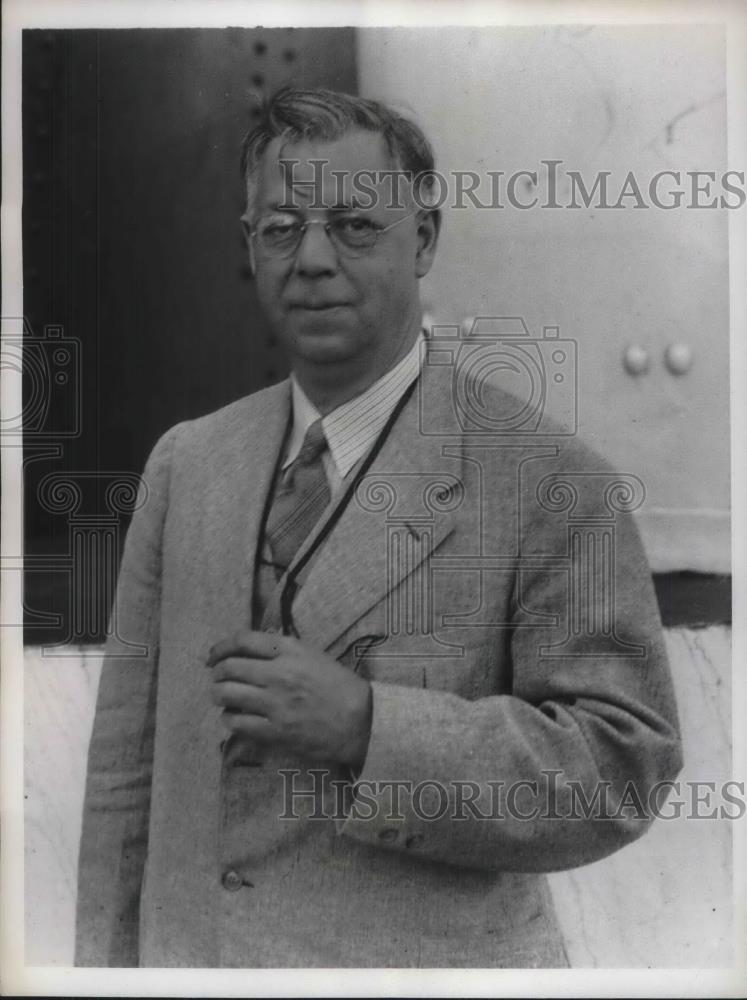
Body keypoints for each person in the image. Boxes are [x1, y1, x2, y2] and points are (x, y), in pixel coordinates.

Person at [75, 86, 683, 968]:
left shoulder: (554, 480)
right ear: (249, 246)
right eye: (280, 228)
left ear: (424, 240)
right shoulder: (186, 462)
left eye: (355, 226)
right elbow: (122, 779)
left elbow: (622, 767)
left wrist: (370, 728)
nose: (312, 258)